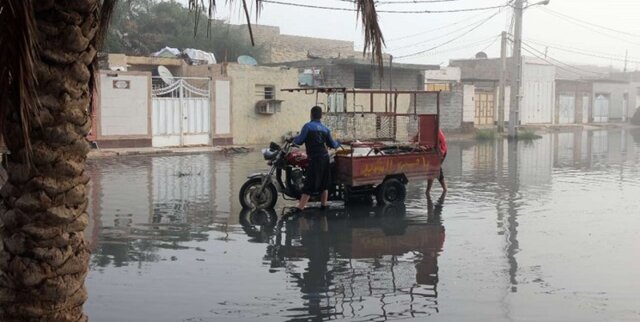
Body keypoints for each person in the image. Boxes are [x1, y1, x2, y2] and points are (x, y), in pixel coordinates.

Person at [290, 106, 340, 212]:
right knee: (324, 183)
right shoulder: (326, 129)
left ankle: (300, 208)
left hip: (315, 158)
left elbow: (299, 141)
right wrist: (338, 142)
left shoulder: (307, 127)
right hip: (325, 158)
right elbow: (333, 144)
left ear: (311, 115)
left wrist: (292, 139)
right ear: (321, 116)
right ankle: (323, 205)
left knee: (309, 182)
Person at [427, 129, 448, 194]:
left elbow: (438, 146)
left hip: (440, 152)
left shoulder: (435, 131)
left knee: (433, 169)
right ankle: (444, 189)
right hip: (436, 151)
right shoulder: (428, 128)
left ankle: (428, 191)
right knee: (435, 170)